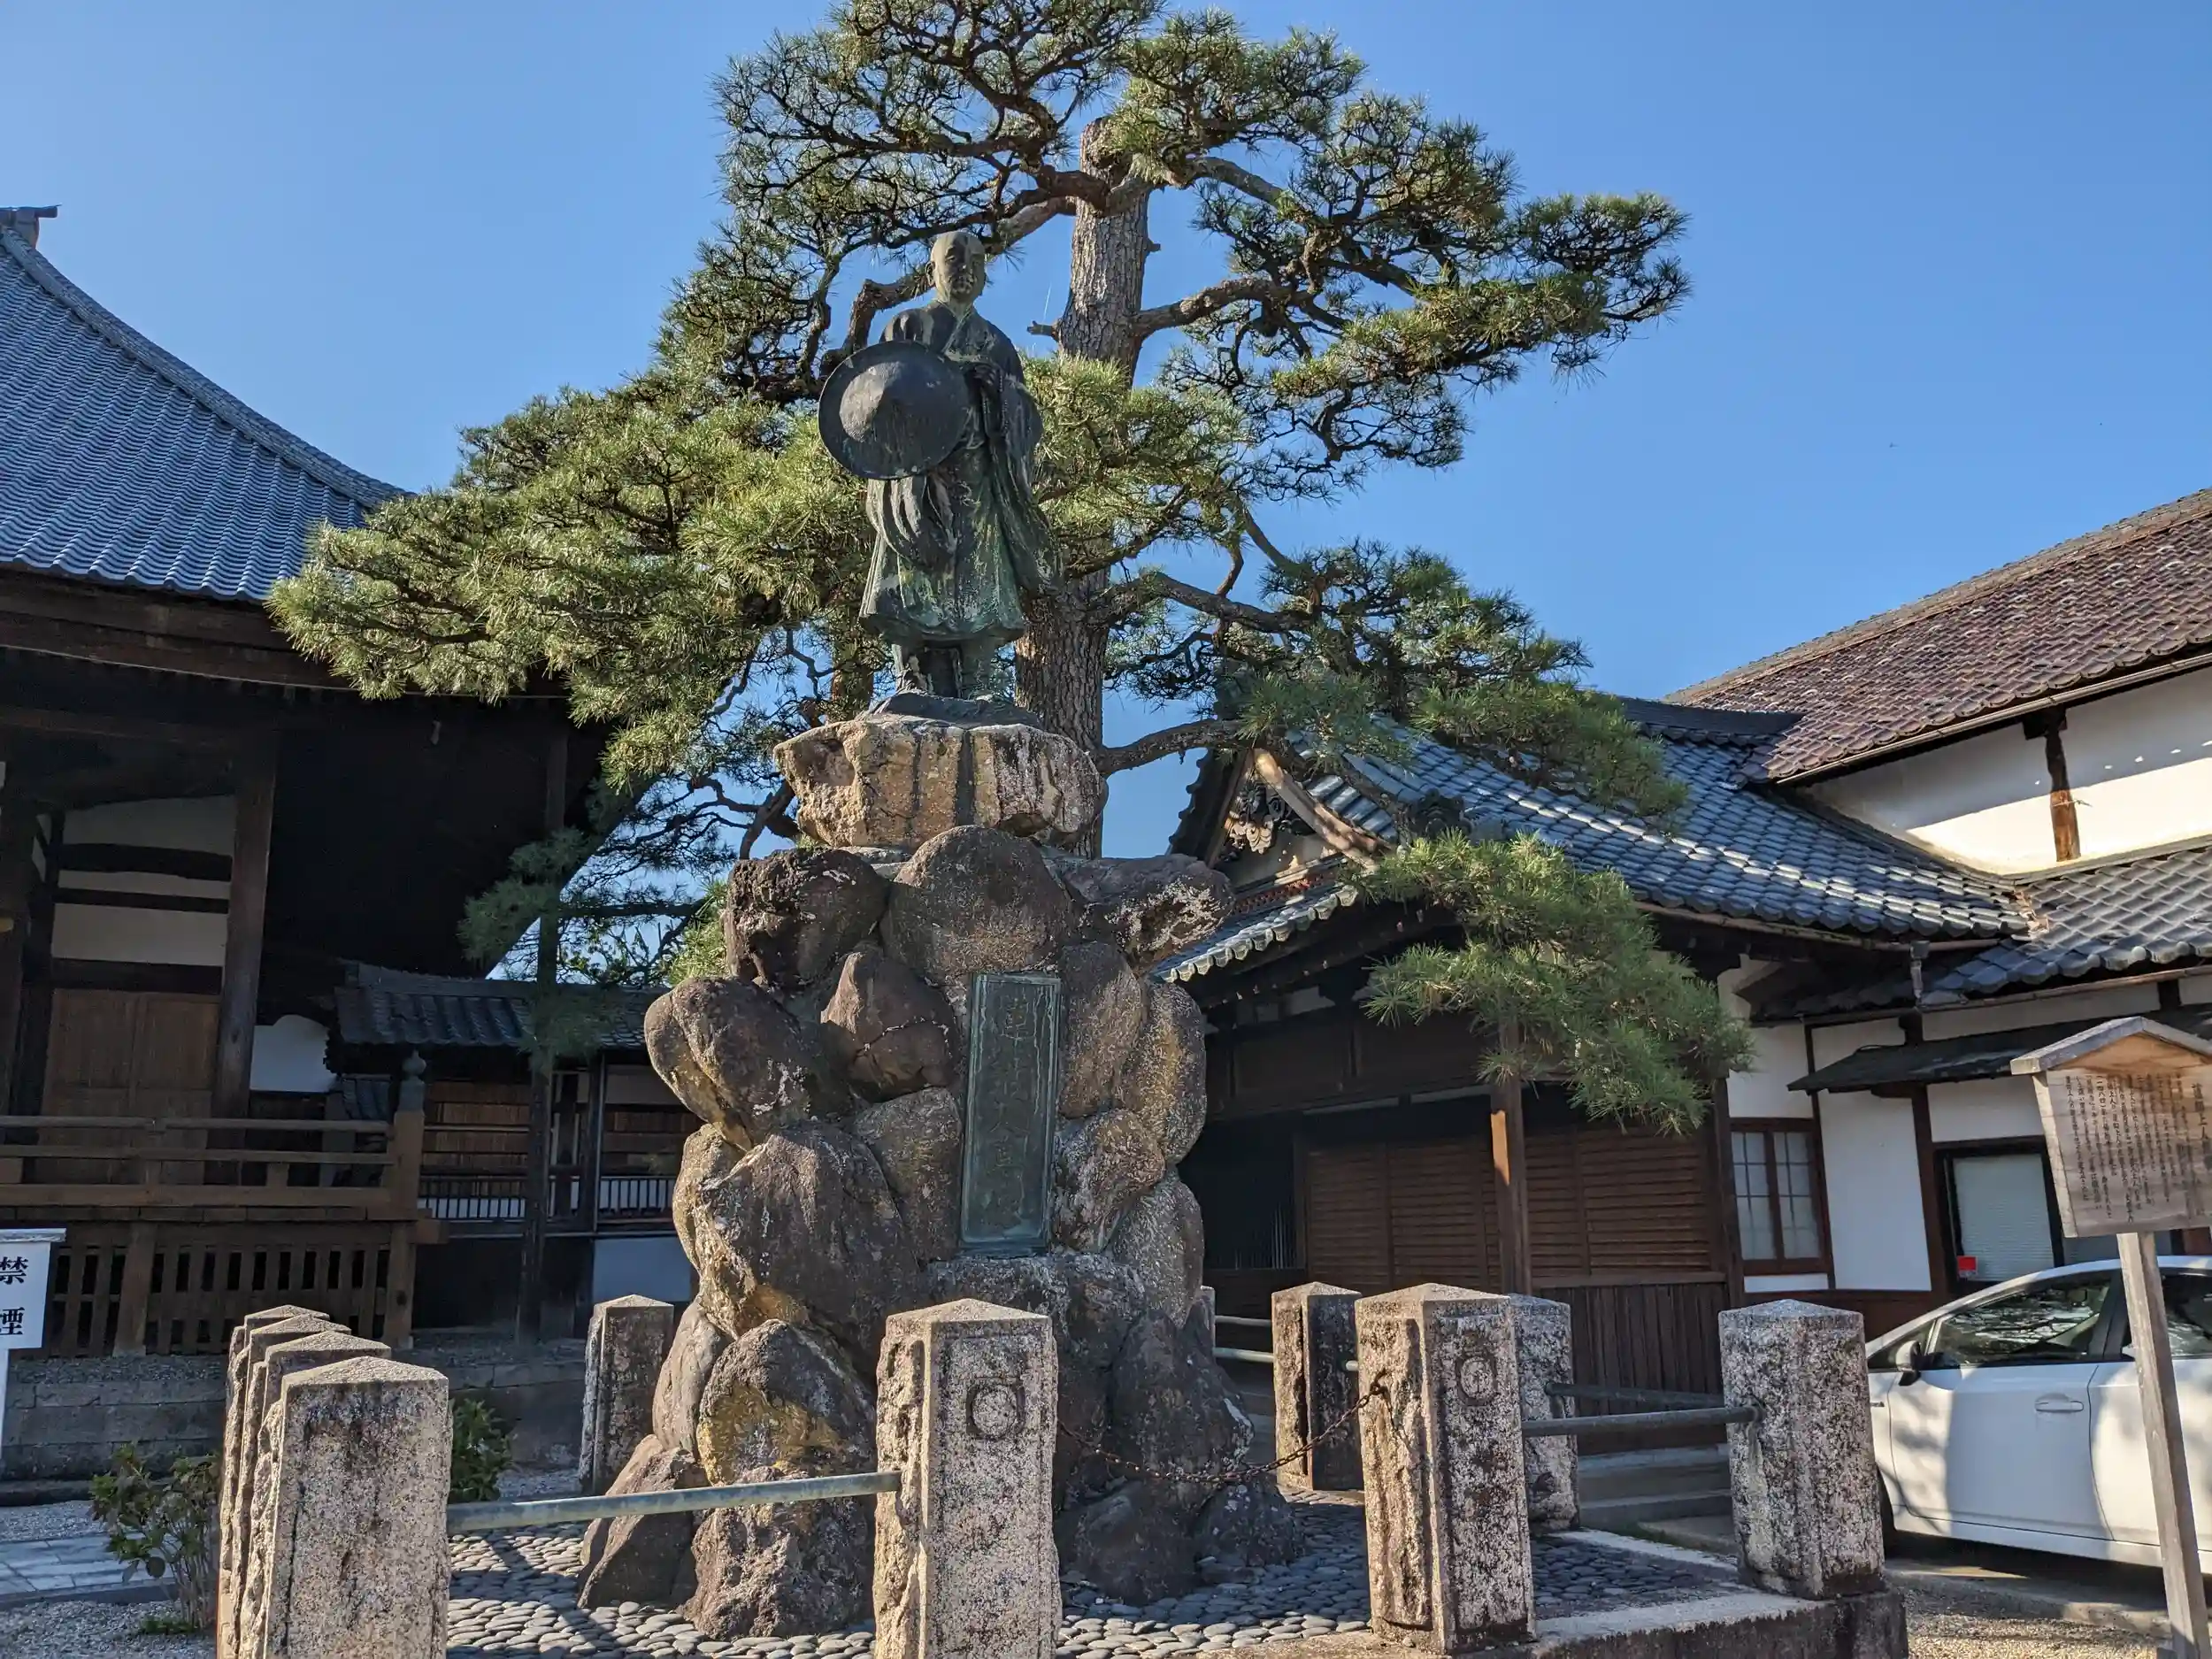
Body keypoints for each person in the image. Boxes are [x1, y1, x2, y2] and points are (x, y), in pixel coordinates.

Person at [858, 230, 1056, 696]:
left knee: (981, 575)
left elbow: (1026, 422)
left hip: (978, 477)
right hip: (918, 474)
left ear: (985, 276)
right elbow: (873, 398)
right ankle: (909, 674)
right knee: (910, 568)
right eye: (954, 258)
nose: (965, 269)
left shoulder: (997, 344)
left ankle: (980, 679)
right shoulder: (908, 327)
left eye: (976, 261)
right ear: (933, 270)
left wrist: (1000, 393)